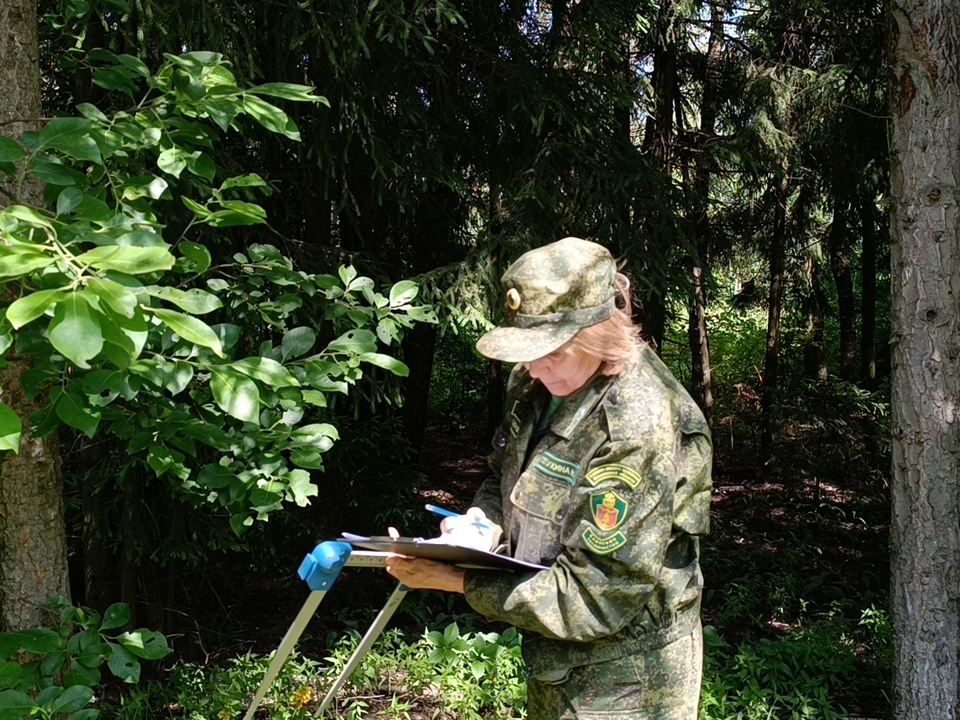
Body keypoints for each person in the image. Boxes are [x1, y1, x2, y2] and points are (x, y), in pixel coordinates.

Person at [386, 236, 713, 719]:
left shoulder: (638, 424)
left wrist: (456, 580)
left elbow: (598, 596)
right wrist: (481, 525)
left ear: (597, 336)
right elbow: (505, 475)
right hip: (553, 659)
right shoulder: (540, 381)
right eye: (528, 351)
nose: (533, 369)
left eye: (550, 353)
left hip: (627, 680)